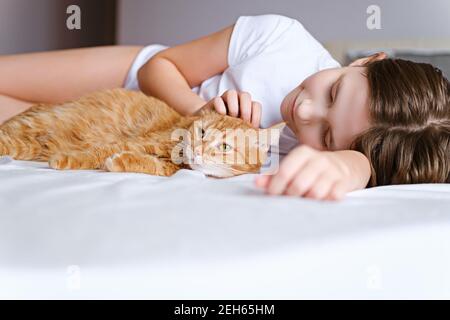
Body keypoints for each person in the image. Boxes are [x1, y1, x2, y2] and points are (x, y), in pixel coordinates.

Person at [0, 14, 448, 200]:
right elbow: (162, 65)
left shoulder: (332, 158)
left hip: (122, 135)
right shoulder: (282, 38)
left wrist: (354, 166)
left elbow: (359, 169)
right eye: (333, 92)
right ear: (368, 61)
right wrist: (200, 111)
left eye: (327, 136)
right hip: (130, 80)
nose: (305, 112)